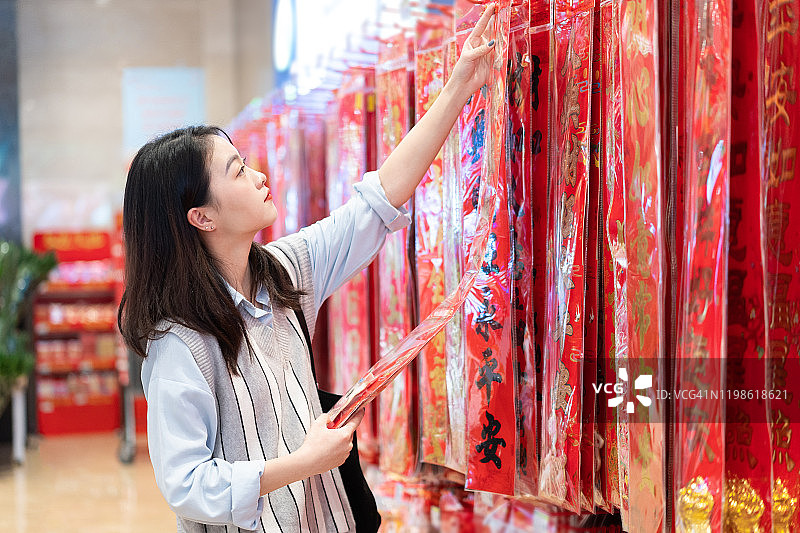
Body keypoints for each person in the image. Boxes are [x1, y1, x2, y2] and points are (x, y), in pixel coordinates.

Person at [118, 5, 496, 532]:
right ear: (201, 216)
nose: (260, 175)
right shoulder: (180, 344)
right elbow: (186, 484)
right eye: (238, 170)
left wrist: (459, 85)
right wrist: (304, 463)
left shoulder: (282, 271)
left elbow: (377, 201)